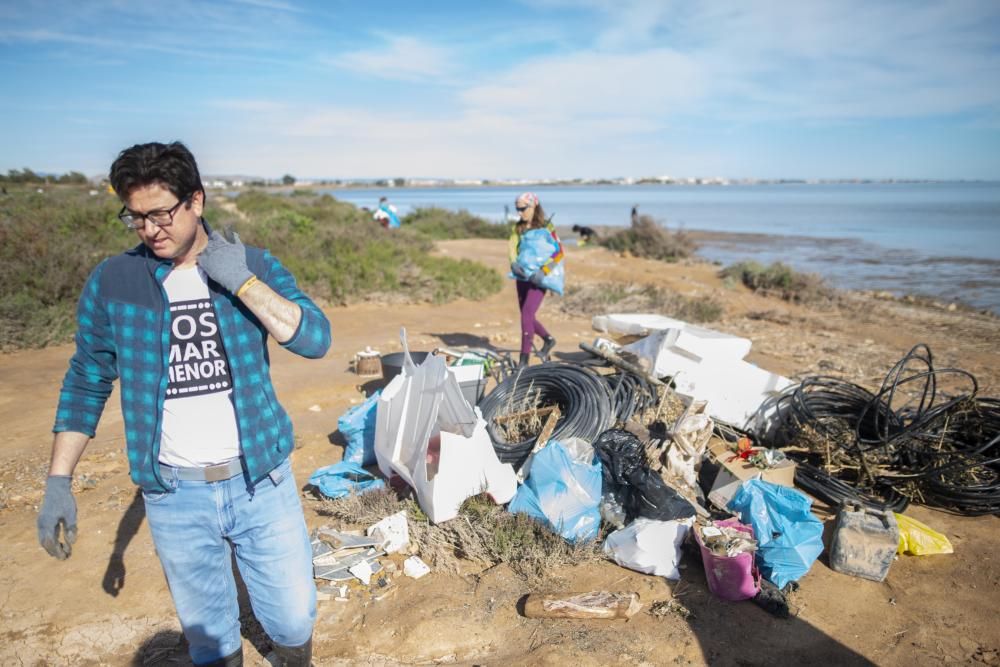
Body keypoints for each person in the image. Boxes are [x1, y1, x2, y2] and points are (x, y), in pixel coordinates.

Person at [36, 142, 330, 667]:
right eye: (136, 216)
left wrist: (240, 279)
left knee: (291, 618)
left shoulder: (251, 264)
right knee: (211, 643)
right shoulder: (114, 281)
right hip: (174, 494)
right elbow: (87, 378)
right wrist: (59, 480)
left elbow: (313, 339)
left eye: (161, 213)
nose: (150, 229)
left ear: (196, 200)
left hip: (260, 480)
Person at [508, 192, 564, 367]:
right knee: (527, 317)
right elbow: (512, 249)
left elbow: (559, 252)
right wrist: (513, 264)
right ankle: (548, 339)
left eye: (523, 208)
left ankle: (523, 361)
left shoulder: (548, 227)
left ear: (533, 207)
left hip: (539, 279)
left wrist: (543, 271)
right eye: (517, 209)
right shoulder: (518, 228)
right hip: (522, 277)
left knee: (526, 315)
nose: (519, 212)